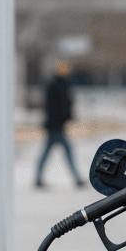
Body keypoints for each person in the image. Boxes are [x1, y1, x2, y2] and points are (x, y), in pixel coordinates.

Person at [34, 59, 84, 188]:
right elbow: (53, 107)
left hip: (58, 125)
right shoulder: (54, 84)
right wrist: (61, 119)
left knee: (49, 152)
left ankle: (38, 178)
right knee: (66, 152)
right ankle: (76, 178)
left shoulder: (63, 83)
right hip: (54, 125)